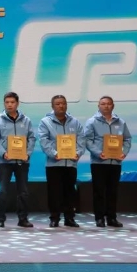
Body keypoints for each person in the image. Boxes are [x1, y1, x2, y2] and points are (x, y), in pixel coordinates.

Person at [0, 92, 36, 228]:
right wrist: (3, 153)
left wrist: (28, 153)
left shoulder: (26, 121)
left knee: (23, 192)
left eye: (12, 102)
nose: (9, 105)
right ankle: (0, 219)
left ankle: (23, 219)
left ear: (17, 103)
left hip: (22, 161)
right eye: (7, 102)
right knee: (2, 191)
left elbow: (32, 138)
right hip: (4, 162)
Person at [38, 94, 85, 228]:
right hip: (54, 164)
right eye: (58, 104)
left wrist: (78, 153)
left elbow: (81, 139)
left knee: (70, 192)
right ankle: (54, 218)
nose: (61, 106)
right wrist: (54, 154)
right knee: (54, 193)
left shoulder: (75, 122)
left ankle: (69, 218)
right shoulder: (45, 122)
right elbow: (44, 141)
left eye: (63, 103)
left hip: (71, 163)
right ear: (52, 106)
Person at [84, 96, 132, 228]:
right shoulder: (92, 121)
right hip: (99, 162)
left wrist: (124, 152)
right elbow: (87, 140)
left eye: (108, 104)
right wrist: (98, 153)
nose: (106, 106)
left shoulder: (120, 122)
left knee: (113, 191)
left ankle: (112, 218)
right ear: (98, 106)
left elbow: (127, 139)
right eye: (103, 104)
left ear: (113, 106)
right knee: (99, 191)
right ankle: (99, 218)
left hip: (115, 162)